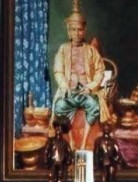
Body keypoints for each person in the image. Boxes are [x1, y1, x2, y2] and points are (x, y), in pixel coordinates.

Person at [52, 0, 111, 150]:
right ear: (68, 30)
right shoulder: (63, 49)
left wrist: (91, 87)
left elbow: (99, 71)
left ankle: (84, 142)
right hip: (69, 92)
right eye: (73, 30)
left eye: (79, 30)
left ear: (84, 30)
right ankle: (71, 139)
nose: (76, 33)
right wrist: (64, 86)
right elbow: (58, 70)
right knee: (59, 106)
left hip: (86, 92)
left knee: (94, 106)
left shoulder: (91, 50)